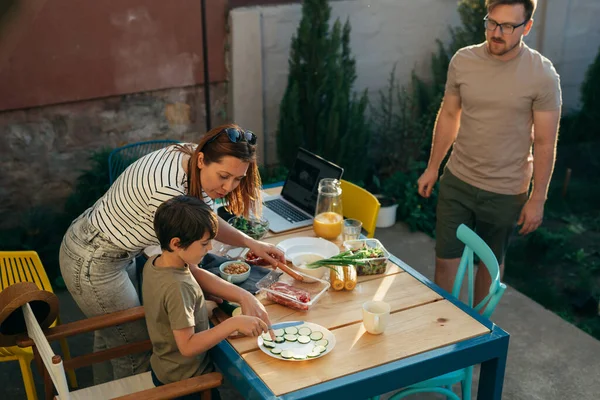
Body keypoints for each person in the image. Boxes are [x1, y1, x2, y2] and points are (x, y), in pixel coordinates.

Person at [59, 123, 283, 383]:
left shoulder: (191, 155)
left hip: (114, 244)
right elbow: (188, 269)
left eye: (237, 179)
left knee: (112, 339)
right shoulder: (166, 194)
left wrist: (251, 244)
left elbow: (205, 219)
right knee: (134, 348)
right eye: (223, 176)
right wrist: (244, 296)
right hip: (95, 260)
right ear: (202, 160)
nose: (228, 187)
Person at [417, 0, 561, 305]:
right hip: (458, 180)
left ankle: (478, 333)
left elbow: (546, 142)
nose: (497, 32)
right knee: (445, 262)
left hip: (505, 191)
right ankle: (444, 331)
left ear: (528, 27)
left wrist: (538, 199)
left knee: (488, 269)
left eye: (508, 26)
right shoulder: (463, 60)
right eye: (492, 22)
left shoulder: (542, 75)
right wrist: (433, 167)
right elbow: (449, 115)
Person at [144, 196, 268, 399]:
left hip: (163, 367)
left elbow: (167, 305)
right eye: (204, 244)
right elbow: (188, 346)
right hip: (187, 384)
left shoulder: (156, 262)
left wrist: (200, 301)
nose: (210, 248)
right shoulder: (178, 287)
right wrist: (234, 323)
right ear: (176, 243)